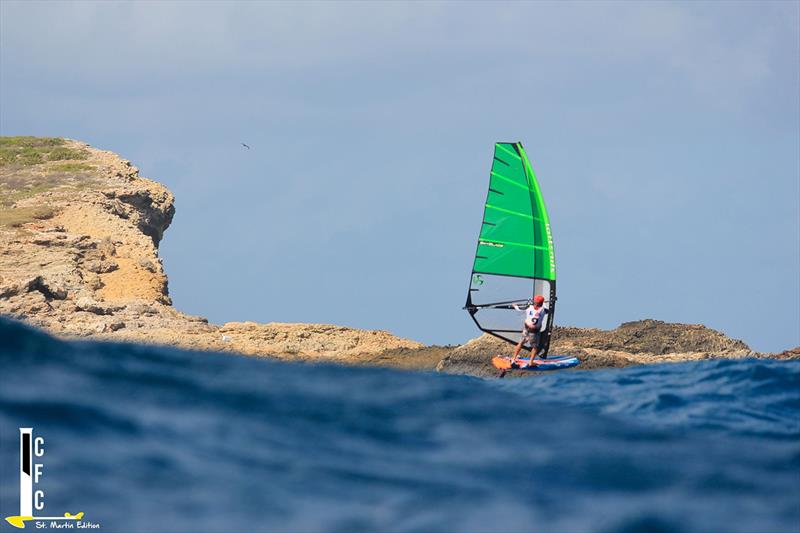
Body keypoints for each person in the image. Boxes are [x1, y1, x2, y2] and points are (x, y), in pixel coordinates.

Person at [510, 295, 548, 366]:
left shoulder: (528, 307)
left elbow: (519, 309)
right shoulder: (543, 310)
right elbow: (546, 308)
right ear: (541, 303)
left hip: (526, 329)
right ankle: (531, 362)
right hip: (534, 332)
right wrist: (544, 303)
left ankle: (513, 358)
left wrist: (515, 305)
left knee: (521, 343)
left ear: (535, 302)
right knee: (535, 347)